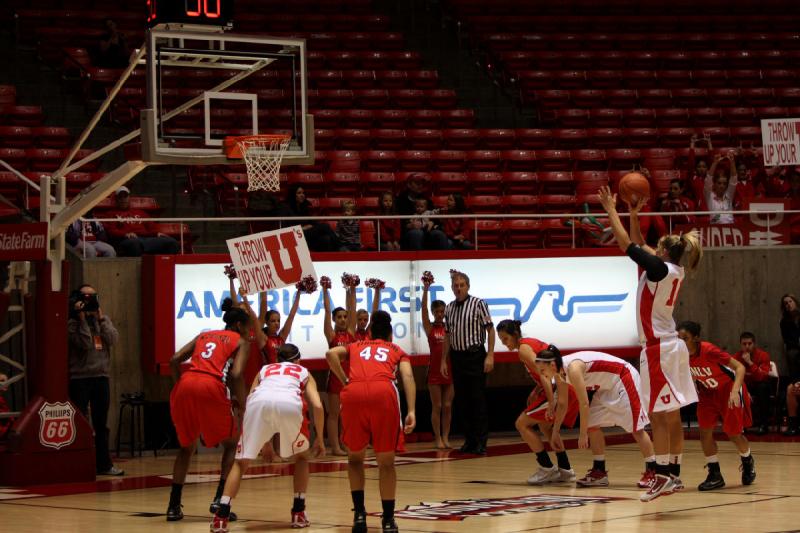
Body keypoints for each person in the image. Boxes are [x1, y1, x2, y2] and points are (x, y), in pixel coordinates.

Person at [599, 185, 703, 502]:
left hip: (658, 349)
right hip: (670, 346)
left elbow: (627, 245)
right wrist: (633, 215)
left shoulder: (658, 269)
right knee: (670, 414)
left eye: (655, 248)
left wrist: (611, 210)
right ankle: (673, 474)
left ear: (663, 252)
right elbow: (638, 244)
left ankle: (659, 476)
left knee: (658, 415)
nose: (651, 250)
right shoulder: (672, 269)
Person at [210, 344, 325, 532]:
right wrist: (319, 438)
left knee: (240, 463)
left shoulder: (265, 370)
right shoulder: (303, 371)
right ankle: (298, 512)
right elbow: (318, 406)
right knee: (302, 458)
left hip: (258, 404)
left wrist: (266, 443)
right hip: (289, 404)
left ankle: (221, 516)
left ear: (277, 360)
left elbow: (251, 399)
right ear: (297, 360)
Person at [326, 310, 416, 533]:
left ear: (370, 333)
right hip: (383, 393)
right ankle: (387, 520)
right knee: (386, 462)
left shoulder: (356, 346)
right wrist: (412, 410)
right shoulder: (396, 350)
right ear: (390, 335)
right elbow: (407, 377)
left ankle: (359, 515)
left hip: (353, 393)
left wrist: (345, 380)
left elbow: (330, 355)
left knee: (355, 459)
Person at [166, 299, 251, 522]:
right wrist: (243, 404)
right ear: (240, 326)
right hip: (211, 385)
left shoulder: (204, 335)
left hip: (185, 384)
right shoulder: (241, 340)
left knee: (186, 448)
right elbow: (236, 375)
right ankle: (219, 501)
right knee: (232, 443)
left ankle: (173, 507)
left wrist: (178, 385)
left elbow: (174, 359)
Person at [537, 348, 657, 489]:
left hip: (623, 377)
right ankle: (599, 471)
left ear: (552, 365)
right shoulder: (559, 373)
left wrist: (582, 435)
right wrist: (556, 432)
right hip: (606, 387)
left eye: (542, 370)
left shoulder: (573, 369)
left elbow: (584, 403)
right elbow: (563, 404)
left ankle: (654, 471)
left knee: (636, 428)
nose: (541, 374)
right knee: (592, 425)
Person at [677, 321, 756, 490]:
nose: (681, 342)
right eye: (679, 338)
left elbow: (740, 368)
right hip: (707, 392)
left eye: (685, 338)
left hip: (728, 389)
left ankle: (747, 460)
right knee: (704, 432)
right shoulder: (681, 354)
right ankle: (715, 474)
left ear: (696, 338)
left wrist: (735, 391)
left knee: (733, 433)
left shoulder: (709, 350)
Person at [496, 320, 577, 485]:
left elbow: (543, 374)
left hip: (558, 388)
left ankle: (546, 468)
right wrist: (537, 390)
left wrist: (551, 403)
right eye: (502, 340)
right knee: (545, 426)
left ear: (514, 335)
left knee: (521, 424)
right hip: (565, 385)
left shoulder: (524, 349)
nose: (504, 344)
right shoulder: (529, 343)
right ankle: (565, 469)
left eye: (505, 339)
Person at [67, 284, 123, 476]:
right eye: (86, 297)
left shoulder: (101, 321)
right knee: (81, 422)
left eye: (93, 297)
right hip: (80, 379)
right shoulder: (72, 324)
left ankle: (104, 465)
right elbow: (84, 343)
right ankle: (79, 464)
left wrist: (101, 319)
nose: (90, 300)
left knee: (101, 424)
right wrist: (81, 319)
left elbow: (113, 339)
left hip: (101, 377)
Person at [440, 270, 495, 455]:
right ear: (452, 288)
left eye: (462, 285)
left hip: (475, 356)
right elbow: (447, 336)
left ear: (468, 286)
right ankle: (469, 440)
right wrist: (443, 360)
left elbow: (490, 330)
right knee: (462, 401)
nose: (458, 288)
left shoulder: (479, 304)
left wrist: (490, 355)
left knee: (477, 399)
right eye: (456, 285)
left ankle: (481, 441)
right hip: (457, 357)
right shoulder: (448, 308)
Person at [322, 278, 356, 455]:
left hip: (349, 378)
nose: (343, 319)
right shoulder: (331, 334)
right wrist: (325, 290)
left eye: (345, 317)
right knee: (334, 414)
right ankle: (334, 446)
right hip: (335, 379)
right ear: (334, 320)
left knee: (346, 415)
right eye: (339, 317)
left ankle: (344, 443)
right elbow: (327, 311)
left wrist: (350, 288)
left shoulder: (351, 333)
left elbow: (353, 308)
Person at [421, 278, 454, 449]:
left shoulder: (450, 327)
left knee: (448, 406)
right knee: (438, 405)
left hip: (449, 370)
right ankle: (437, 438)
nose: (440, 314)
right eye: (437, 312)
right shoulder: (430, 328)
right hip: (434, 370)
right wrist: (426, 289)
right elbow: (423, 311)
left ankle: (446, 436)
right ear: (434, 313)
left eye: (442, 311)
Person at [102, 187, 180, 256]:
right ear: (116, 199)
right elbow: (111, 231)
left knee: (172, 242)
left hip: (145, 238)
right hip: (126, 240)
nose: (123, 199)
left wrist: (156, 233)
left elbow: (151, 227)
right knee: (134, 244)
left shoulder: (140, 212)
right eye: (120, 197)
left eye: (125, 196)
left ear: (129, 198)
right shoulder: (110, 214)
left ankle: (164, 267)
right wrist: (125, 234)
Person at [733, 332, 773, 434]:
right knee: (735, 389)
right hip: (744, 385)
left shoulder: (763, 355)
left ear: (754, 344)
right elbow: (732, 377)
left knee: (762, 387)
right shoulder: (736, 357)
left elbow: (761, 376)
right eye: (744, 344)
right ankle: (740, 424)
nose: (747, 347)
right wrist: (744, 390)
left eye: (749, 344)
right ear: (740, 345)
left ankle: (763, 425)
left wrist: (750, 362)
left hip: (759, 385)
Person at [285, 184, 340, 252]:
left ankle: (332, 258)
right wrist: (303, 228)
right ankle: (340, 246)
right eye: (299, 193)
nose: (302, 195)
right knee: (325, 226)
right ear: (293, 194)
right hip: (294, 235)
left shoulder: (305, 206)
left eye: (303, 193)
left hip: (306, 234)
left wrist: (311, 226)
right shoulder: (286, 207)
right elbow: (285, 227)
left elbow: (313, 222)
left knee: (326, 238)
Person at [705, 153, 739, 224]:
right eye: (719, 183)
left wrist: (732, 162)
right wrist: (715, 163)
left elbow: (734, 179)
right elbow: (708, 180)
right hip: (715, 229)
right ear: (714, 184)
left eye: (724, 184)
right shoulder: (709, 196)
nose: (722, 186)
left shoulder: (729, 195)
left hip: (731, 228)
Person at [780, 294, 800, 381]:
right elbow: (786, 340)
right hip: (794, 347)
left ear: (795, 302)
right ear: (784, 307)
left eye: (790, 301)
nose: (789, 304)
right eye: (786, 303)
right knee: (792, 354)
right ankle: (796, 383)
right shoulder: (784, 322)